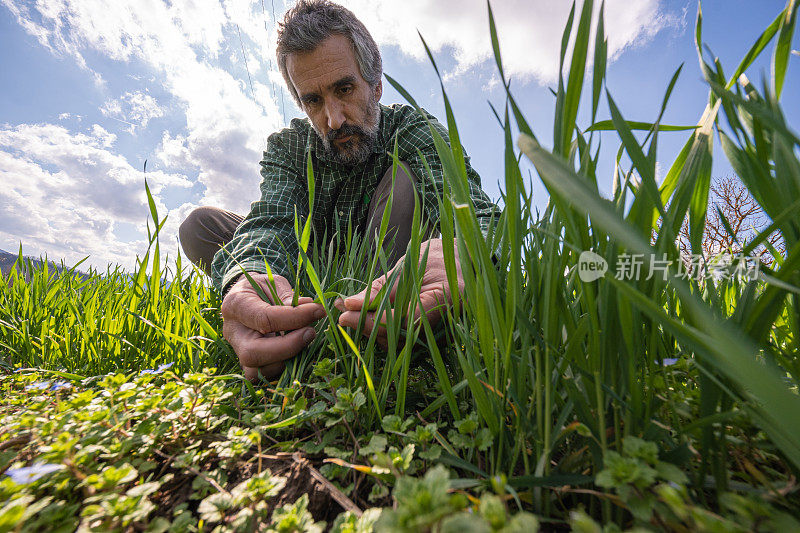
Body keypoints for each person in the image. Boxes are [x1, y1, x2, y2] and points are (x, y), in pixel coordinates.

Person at [178, 0, 498, 381]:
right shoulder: (290, 146)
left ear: (375, 85)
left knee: (405, 183)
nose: (333, 119)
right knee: (200, 226)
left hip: (385, 267)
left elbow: (474, 210)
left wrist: (459, 249)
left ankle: (373, 306)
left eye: (344, 89)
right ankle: (285, 303)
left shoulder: (414, 130)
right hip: (306, 266)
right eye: (313, 100)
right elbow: (272, 219)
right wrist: (247, 276)